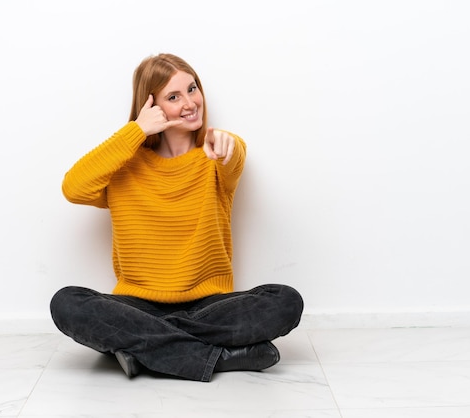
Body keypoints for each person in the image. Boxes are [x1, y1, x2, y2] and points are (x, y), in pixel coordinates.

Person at [50, 53, 304, 382]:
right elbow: (73, 188)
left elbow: (234, 154)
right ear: (150, 106)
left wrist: (229, 144)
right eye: (174, 96)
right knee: (67, 303)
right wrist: (136, 131)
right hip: (137, 305)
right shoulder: (124, 167)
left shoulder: (215, 156)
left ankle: (142, 351)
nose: (190, 102)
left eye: (192, 88)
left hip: (210, 305)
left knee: (284, 301)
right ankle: (218, 357)